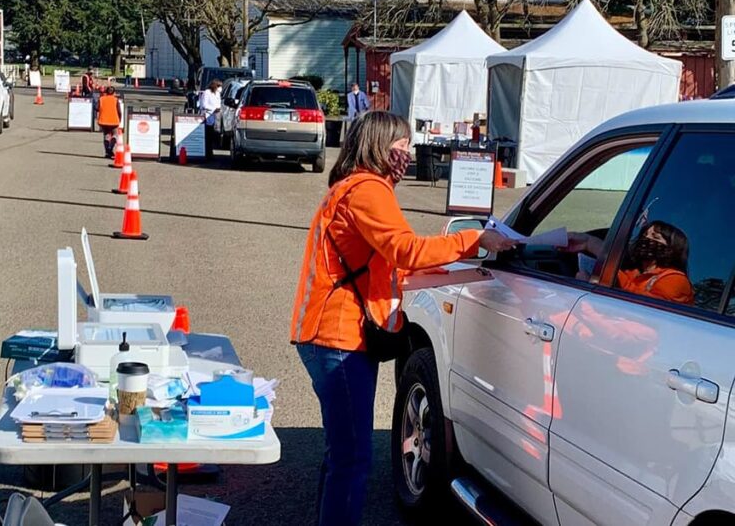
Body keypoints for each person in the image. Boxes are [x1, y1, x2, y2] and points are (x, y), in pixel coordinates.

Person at [289, 111, 515, 526]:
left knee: (342, 456)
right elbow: (405, 250)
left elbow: (388, 263)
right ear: (380, 145)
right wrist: (474, 239)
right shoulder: (368, 190)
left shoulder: (354, 187)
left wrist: (462, 271)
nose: (408, 154)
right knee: (353, 459)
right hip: (339, 339)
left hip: (330, 335)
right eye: (402, 145)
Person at [563, 221, 693, 304]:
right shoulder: (636, 273)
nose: (646, 239)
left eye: (655, 237)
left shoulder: (676, 280)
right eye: (645, 234)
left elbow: (648, 307)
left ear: (672, 249)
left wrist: (608, 275)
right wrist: (587, 242)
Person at [198, 79, 223, 159]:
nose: (220, 88)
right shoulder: (207, 93)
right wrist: (213, 109)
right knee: (207, 136)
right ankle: (207, 153)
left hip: (215, 117)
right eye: (219, 86)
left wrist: (219, 109)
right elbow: (203, 105)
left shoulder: (217, 94)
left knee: (213, 136)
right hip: (207, 116)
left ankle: (210, 153)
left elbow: (218, 103)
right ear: (214, 86)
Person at [97, 86, 121, 158]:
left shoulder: (101, 99)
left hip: (103, 120)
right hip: (114, 120)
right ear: (114, 92)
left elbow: (96, 108)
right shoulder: (115, 99)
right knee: (115, 135)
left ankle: (107, 152)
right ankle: (111, 146)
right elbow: (119, 111)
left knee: (106, 135)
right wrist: (119, 119)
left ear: (106, 92)